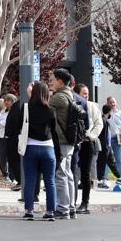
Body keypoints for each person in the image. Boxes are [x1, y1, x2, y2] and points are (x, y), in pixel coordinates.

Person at [11, 81, 58, 221]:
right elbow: (54, 132)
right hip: (48, 148)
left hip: (30, 147)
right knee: (50, 181)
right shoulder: (51, 110)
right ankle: (50, 212)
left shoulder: (26, 108)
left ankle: (29, 210)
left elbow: (18, 126)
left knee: (30, 179)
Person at [48, 69, 80, 219]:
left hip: (61, 140)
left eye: (53, 80)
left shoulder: (59, 97)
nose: (50, 82)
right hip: (70, 140)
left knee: (60, 174)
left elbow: (43, 107)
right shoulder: (71, 95)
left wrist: (31, 94)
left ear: (60, 82)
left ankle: (63, 208)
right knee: (68, 174)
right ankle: (71, 207)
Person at [75, 84, 104, 214]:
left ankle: (85, 203)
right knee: (74, 172)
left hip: (87, 142)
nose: (86, 96)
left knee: (86, 174)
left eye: (87, 94)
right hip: (75, 142)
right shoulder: (73, 104)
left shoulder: (92, 106)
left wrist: (90, 136)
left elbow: (99, 124)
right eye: (83, 93)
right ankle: (71, 201)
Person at [100, 97, 121, 187]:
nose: (112, 104)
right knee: (107, 160)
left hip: (117, 139)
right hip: (107, 140)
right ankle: (104, 179)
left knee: (119, 160)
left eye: (114, 102)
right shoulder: (105, 114)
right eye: (110, 103)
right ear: (107, 103)